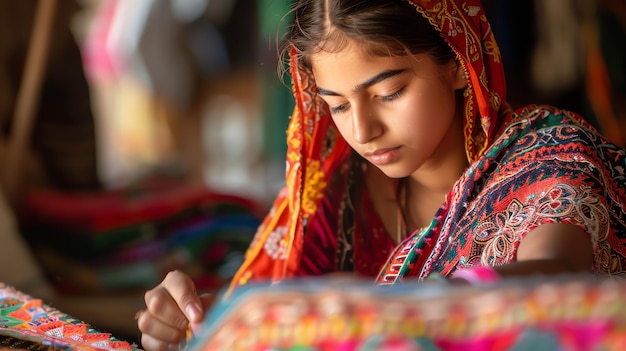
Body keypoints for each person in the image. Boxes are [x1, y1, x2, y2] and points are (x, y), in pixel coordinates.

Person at [136, 0, 626, 349]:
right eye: (338, 105)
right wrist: (202, 318)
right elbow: (288, 309)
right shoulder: (339, 191)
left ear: (458, 61)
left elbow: (555, 276)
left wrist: (382, 311)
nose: (363, 131)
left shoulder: (547, 155)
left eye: (389, 92)